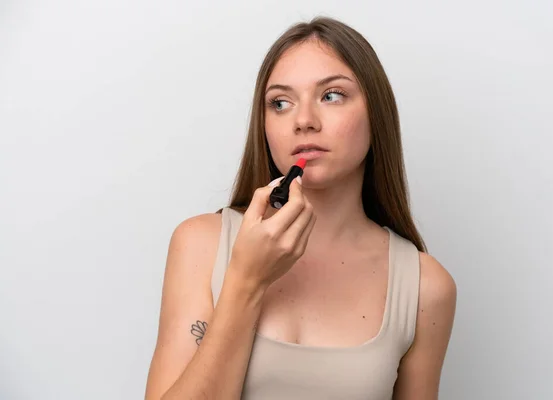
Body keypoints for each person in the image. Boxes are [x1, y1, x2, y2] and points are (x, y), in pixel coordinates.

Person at [145, 16, 457, 400]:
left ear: (376, 113)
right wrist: (246, 280)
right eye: (280, 103)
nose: (304, 121)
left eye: (331, 96)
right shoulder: (200, 245)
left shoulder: (425, 287)